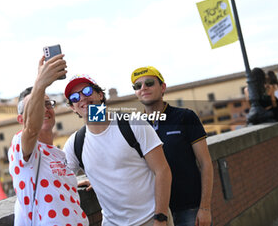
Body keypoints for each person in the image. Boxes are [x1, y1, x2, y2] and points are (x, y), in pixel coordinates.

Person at [63, 74, 173, 226]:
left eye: (87, 91)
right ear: (72, 107)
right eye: (74, 97)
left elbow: (163, 171)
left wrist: (161, 218)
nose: (82, 98)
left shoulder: (133, 124)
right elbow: (59, 182)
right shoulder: (74, 144)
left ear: (100, 95)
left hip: (151, 219)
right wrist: (94, 180)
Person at [8, 54, 89, 225]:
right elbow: (31, 130)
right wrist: (41, 83)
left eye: (47, 104)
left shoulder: (59, 154)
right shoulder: (20, 146)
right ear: (21, 120)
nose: (44, 110)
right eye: (35, 106)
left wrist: (80, 183)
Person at [131, 66, 214, 226]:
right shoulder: (134, 126)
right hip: (154, 212)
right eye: (137, 86)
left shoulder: (185, 117)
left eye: (149, 83)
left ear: (163, 88)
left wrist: (205, 207)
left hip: (189, 208)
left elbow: (206, 163)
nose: (143, 88)